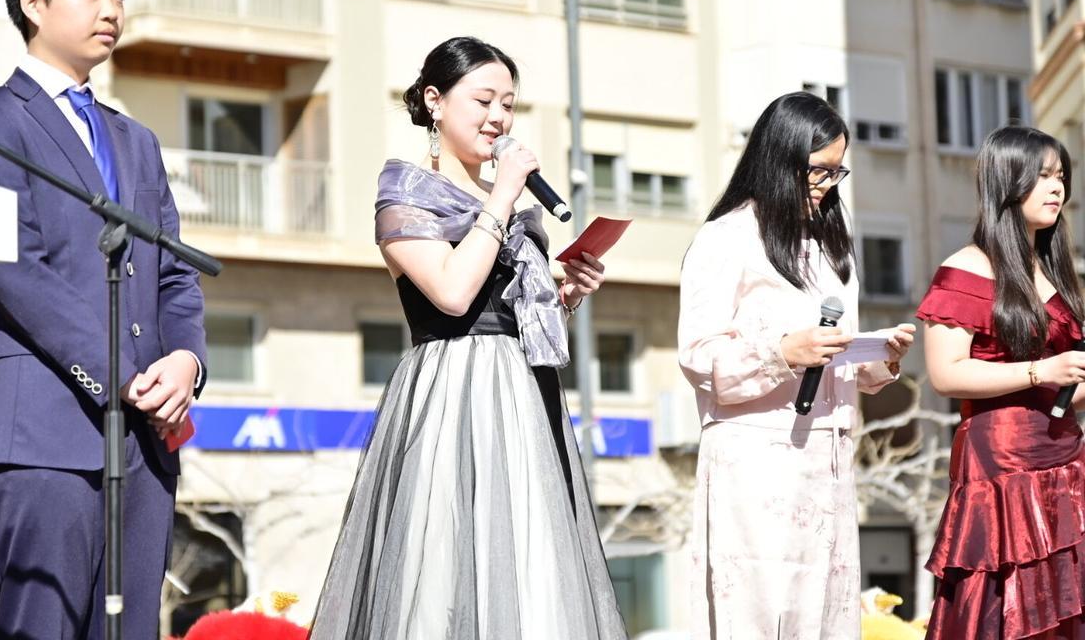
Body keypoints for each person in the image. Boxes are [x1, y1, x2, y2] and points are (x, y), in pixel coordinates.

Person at [309, 36, 626, 639]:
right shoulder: (405, 192)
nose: (498, 118)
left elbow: (527, 319)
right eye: (483, 100)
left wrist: (571, 293)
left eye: (508, 103)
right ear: (435, 101)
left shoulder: (510, 208)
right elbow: (452, 293)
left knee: (530, 559)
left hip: (527, 391)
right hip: (456, 390)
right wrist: (504, 193)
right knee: (445, 566)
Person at [0, 0, 207, 639]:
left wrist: (186, 360)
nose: (112, 11)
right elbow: (13, 269)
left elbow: (174, 272)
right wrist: (121, 373)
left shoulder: (136, 139)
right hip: (40, 434)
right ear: (34, 2)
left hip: (146, 440)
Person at [677, 91, 915, 639]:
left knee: (826, 615)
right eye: (818, 171)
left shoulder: (830, 249)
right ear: (779, 159)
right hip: (756, 459)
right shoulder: (725, 238)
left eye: (837, 172)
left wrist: (878, 355)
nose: (827, 186)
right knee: (757, 616)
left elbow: (838, 357)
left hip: (826, 461)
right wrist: (782, 351)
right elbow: (699, 356)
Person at [919, 126, 1085, 639]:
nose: (1056, 188)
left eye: (1061, 176)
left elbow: (1063, 386)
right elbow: (947, 374)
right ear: (1007, 181)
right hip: (1001, 464)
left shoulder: (1053, 269)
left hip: (1064, 455)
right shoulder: (966, 267)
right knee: (1002, 609)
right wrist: (1041, 371)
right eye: (1042, 176)